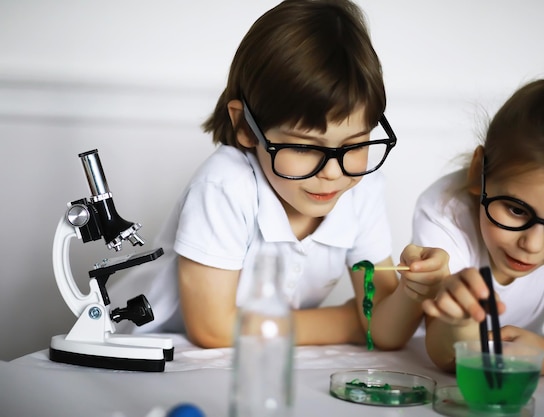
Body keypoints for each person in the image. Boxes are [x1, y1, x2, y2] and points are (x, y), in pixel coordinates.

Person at [109, 0, 448, 350]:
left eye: (353, 145)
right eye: (304, 148)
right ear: (245, 126)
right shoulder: (225, 186)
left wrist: (414, 290)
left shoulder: (362, 190)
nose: (333, 173)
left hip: (247, 360)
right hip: (145, 354)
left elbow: (381, 330)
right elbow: (213, 329)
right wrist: (348, 322)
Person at [407, 44, 544, 374]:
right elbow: (442, 352)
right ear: (478, 172)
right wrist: (462, 321)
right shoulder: (444, 213)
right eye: (517, 211)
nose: (532, 244)